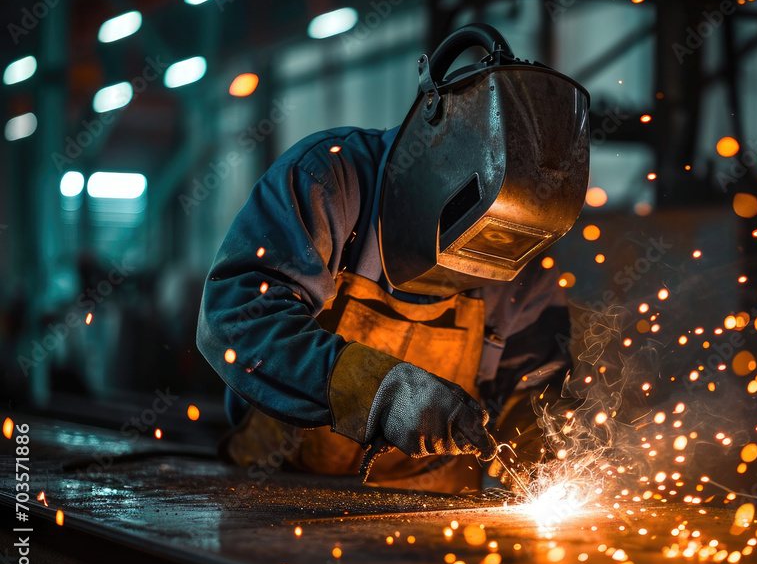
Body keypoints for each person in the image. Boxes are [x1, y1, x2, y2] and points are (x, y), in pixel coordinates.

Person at [196, 24, 590, 493]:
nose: (479, 266)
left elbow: (535, 396)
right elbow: (235, 319)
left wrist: (538, 462)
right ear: (438, 160)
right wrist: (381, 394)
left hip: (427, 522)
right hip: (279, 494)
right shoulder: (331, 180)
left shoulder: (528, 263)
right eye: (474, 230)